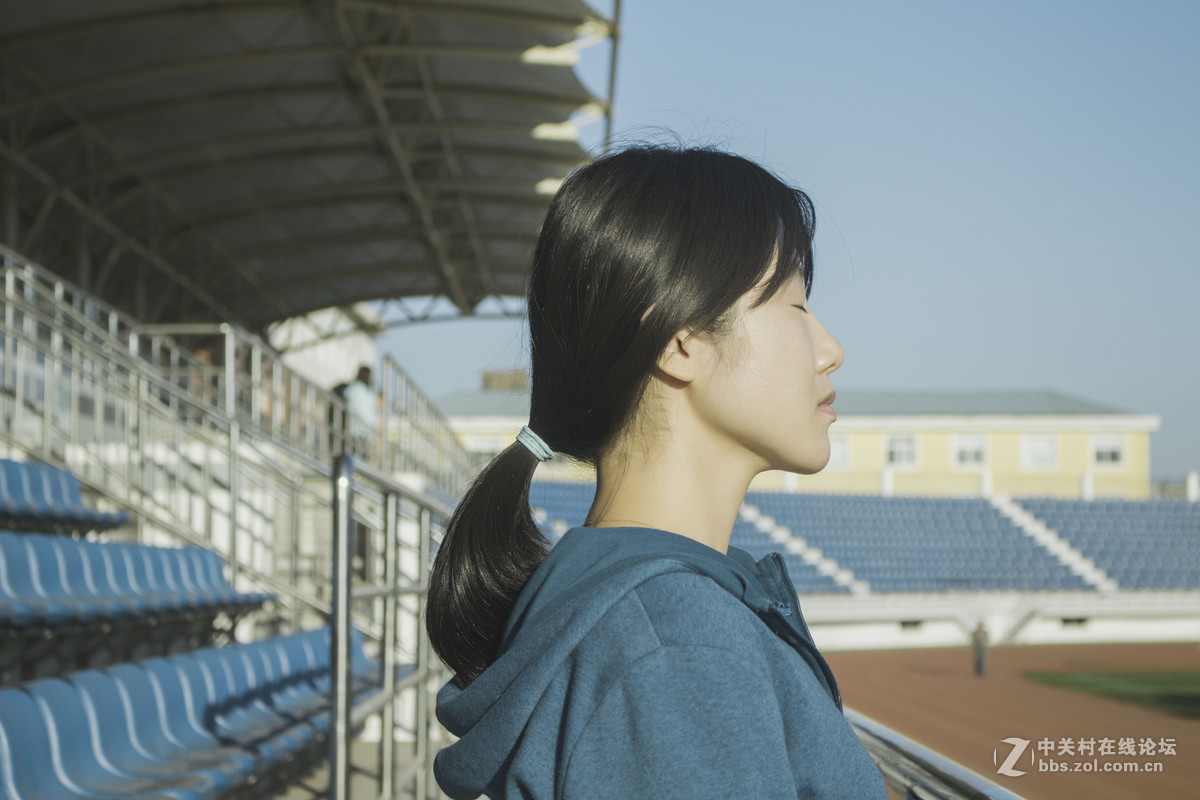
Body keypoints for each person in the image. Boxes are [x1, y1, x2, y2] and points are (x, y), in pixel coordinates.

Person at [426, 145, 887, 799]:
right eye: (795, 305)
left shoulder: (647, 611)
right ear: (680, 341)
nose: (831, 350)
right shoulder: (679, 644)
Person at [342, 365, 376, 454]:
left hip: (355, 428)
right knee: (360, 456)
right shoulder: (368, 392)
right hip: (363, 430)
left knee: (353, 455)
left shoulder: (354, 388)